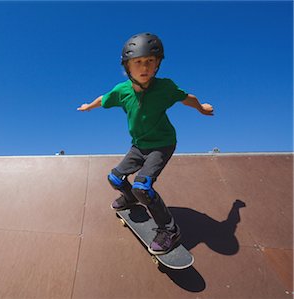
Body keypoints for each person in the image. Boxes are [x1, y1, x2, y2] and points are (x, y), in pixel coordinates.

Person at [77, 32, 214, 254]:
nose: (144, 67)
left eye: (150, 61)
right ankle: (130, 198)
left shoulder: (165, 88)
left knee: (143, 186)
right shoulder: (121, 91)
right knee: (114, 177)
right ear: (128, 67)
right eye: (138, 62)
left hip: (162, 144)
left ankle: (170, 230)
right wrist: (87, 106)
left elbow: (187, 97)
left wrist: (202, 108)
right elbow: (103, 99)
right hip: (139, 146)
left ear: (158, 64)